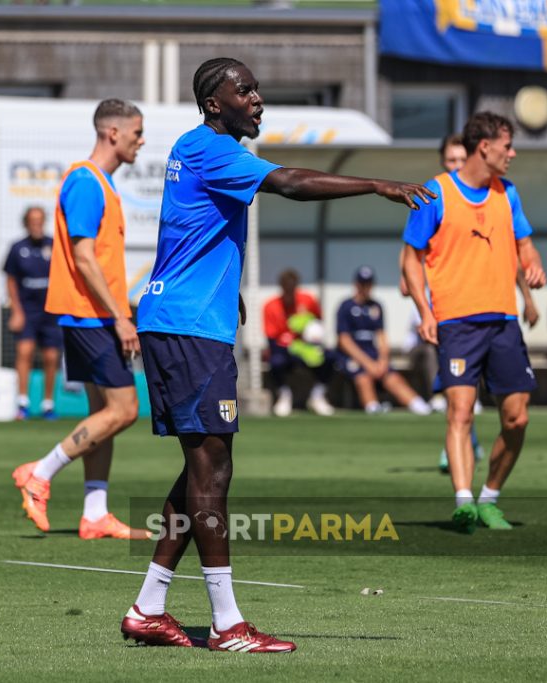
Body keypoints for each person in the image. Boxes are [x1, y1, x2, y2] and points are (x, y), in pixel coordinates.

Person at [124, 57, 434, 652]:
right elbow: (289, 182)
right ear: (216, 103)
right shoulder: (217, 151)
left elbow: (191, 232)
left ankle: (149, 607)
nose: (258, 99)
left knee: (201, 469)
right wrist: (376, 184)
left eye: (257, 89)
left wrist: (226, 290)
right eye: (245, 90)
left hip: (183, 318)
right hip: (188, 328)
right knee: (212, 470)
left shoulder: (195, 147)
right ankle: (227, 624)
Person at [11, 99, 149, 541]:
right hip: (91, 318)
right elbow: (85, 259)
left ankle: (95, 512)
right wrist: (120, 317)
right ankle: (40, 471)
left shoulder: (101, 183)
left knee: (102, 414)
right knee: (125, 410)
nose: (140, 142)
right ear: (113, 133)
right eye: (136, 133)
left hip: (92, 316)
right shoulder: (87, 182)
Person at [402, 111, 546, 533]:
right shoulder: (437, 192)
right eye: (507, 146)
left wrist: (533, 264)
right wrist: (426, 312)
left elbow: (526, 244)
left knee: (517, 419)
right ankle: (463, 500)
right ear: (485, 147)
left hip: (503, 320)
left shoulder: (508, 192)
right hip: (457, 322)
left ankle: (490, 497)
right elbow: (411, 257)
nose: (512, 154)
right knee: (460, 412)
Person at [335, 266, 431, 415]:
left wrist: (383, 360)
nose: (365, 287)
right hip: (353, 356)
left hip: (372, 353)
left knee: (392, 377)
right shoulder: (346, 307)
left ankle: (419, 406)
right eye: (362, 283)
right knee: (363, 377)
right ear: (356, 284)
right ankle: (372, 407)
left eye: (368, 283)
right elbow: (344, 340)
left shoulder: (376, 306)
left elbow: (381, 336)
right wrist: (368, 363)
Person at [4, 206, 61, 420]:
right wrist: (16, 310)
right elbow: (10, 280)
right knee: (25, 352)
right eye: (32, 220)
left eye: (40, 220)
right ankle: (23, 404)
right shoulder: (18, 248)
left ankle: (48, 404)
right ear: (26, 223)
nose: (36, 224)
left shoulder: (53, 245)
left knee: (51, 356)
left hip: (50, 310)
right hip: (28, 310)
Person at [262, 268, 336, 417]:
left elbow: (317, 323)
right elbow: (272, 340)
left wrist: (310, 335)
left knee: (331, 357)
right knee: (276, 362)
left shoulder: (307, 300)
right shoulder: (270, 306)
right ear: (282, 287)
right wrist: (291, 344)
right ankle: (284, 395)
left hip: (307, 349)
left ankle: (317, 396)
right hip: (284, 351)